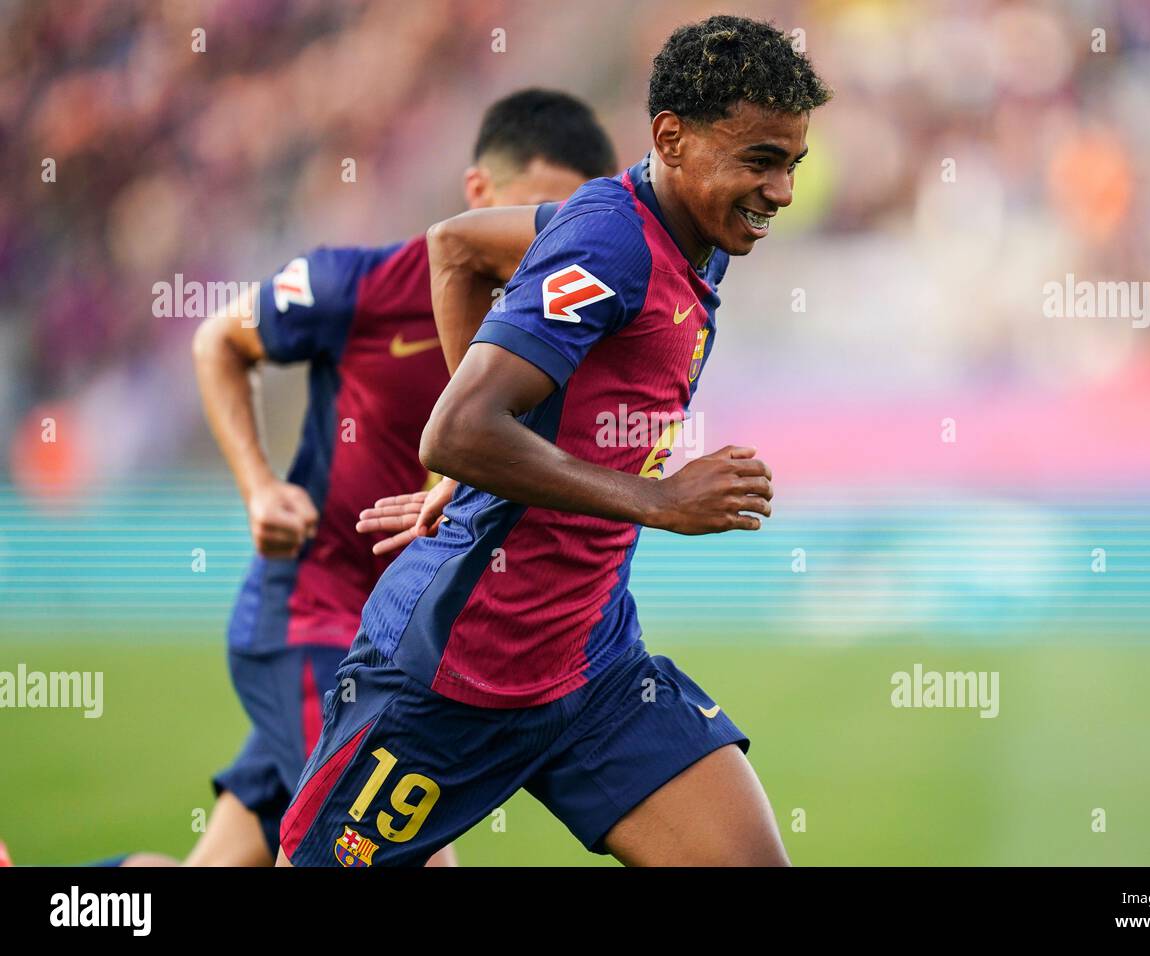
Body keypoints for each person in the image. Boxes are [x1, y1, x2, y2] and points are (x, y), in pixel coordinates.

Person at [278, 15, 830, 868]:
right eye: (759, 160)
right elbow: (459, 428)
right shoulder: (610, 242)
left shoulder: (692, 233)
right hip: (452, 676)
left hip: (595, 666)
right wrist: (656, 498)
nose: (782, 191)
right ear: (671, 140)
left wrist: (485, 467)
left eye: (792, 161)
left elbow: (456, 246)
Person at [121, 90, 616, 867]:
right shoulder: (356, 286)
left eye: (573, 220)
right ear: (479, 195)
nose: (548, 237)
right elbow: (218, 341)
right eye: (539, 208)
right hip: (311, 618)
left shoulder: (566, 327)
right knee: (401, 856)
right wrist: (258, 487)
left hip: (397, 644)